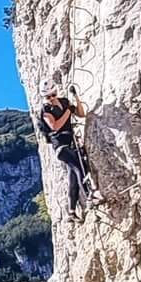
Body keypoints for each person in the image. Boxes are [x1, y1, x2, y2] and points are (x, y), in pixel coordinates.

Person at [37, 84, 92, 217]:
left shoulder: (64, 102)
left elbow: (81, 113)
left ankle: (71, 211)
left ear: (56, 92)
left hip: (69, 143)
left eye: (53, 95)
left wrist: (76, 97)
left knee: (73, 176)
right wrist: (68, 111)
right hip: (60, 146)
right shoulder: (46, 110)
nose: (50, 98)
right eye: (47, 97)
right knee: (79, 166)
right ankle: (90, 195)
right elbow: (54, 126)